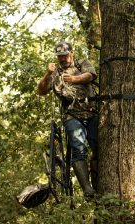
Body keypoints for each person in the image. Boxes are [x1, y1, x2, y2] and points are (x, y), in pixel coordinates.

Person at [37, 41, 98, 197]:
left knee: (99, 148)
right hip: (71, 115)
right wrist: (48, 74)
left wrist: (73, 79)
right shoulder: (55, 72)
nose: (63, 59)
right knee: (79, 150)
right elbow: (41, 90)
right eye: (60, 56)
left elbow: (90, 75)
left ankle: (98, 183)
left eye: (65, 55)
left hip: (91, 112)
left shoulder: (82, 63)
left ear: (72, 53)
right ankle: (87, 189)